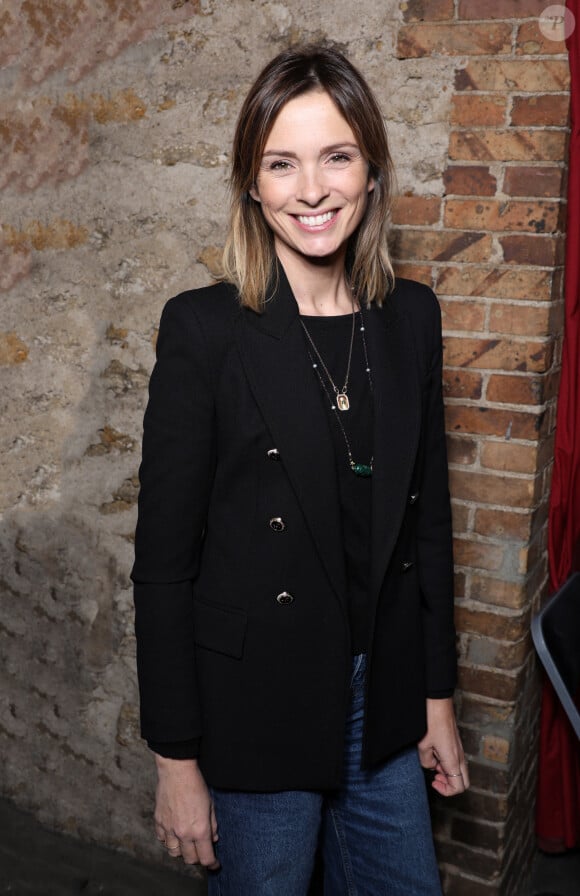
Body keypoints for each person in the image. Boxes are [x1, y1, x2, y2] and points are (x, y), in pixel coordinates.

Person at [132, 44, 469, 896]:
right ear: (251, 182)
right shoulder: (206, 331)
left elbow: (424, 532)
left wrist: (435, 698)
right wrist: (176, 763)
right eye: (282, 163)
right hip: (258, 712)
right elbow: (165, 570)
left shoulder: (411, 321)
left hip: (383, 703)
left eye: (337, 157)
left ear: (371, 169)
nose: (312, 190)